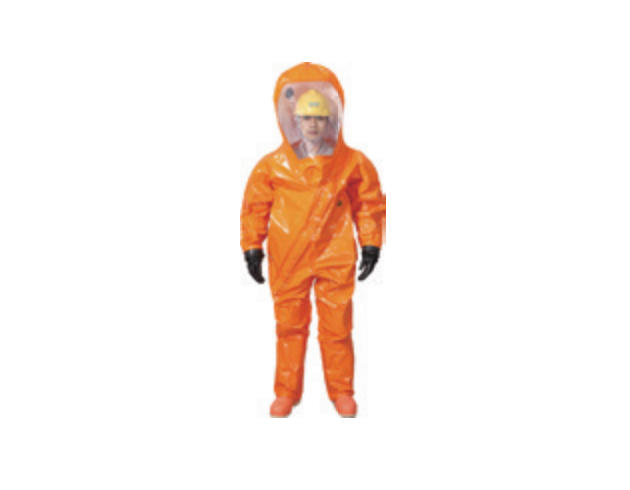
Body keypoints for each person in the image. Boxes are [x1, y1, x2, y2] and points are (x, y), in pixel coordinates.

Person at [240, 62, 386, 418]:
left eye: (320, 117)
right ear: (294, 120)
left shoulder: (351, 162)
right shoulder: (272, 165)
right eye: (306, 117)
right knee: (289, 326)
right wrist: (252, 247)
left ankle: (342, 391)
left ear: (331, 119)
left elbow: (369, 202)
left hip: (335, 255)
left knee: (337, 327)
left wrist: (371, 242)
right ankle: (286, 392)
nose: (313, 124)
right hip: (289, 256)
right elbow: (255, 207)